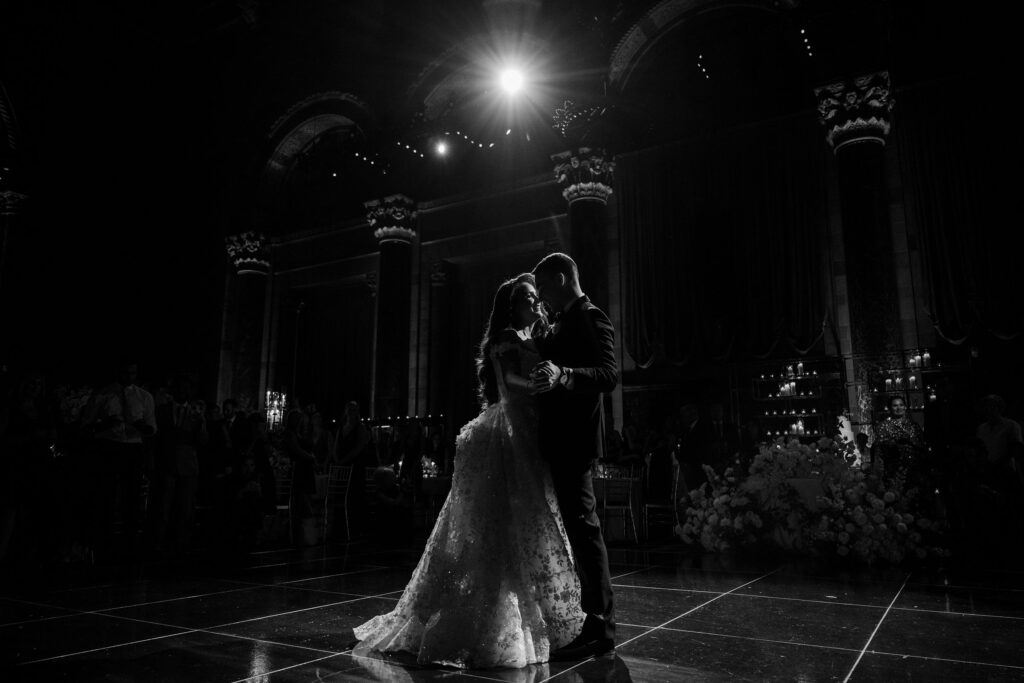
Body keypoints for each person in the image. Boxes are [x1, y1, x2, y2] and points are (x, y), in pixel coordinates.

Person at [353, 273, 584, 668]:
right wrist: (541, 384)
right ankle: (485, 621)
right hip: (510, 431)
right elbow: (510, 379)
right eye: (526, 298)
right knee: (498, 526)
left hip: (531, 432)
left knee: (529, 524)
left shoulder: (535, 337)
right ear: (512, 307)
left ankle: (535, 617)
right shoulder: (507, 338)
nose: (534, 303)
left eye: (534, 297)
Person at [530, 252, 618, 661]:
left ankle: (600, 624)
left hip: (576, 442)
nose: (543, 296)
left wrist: (564, 375)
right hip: (556, 441)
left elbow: (608, 374)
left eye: (545, 286)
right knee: (576, 529)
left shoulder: (592, 316)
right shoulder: (561, 320)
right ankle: (589, 620)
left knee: (584, 529)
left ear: (564, 278)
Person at [873, 395, 925, 475]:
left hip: (915, 468)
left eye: (901, 405)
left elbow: (921, 444)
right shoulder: (883, 426)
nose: (899, 408)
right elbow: (880, 448)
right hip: (894, 469)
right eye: (895, 405)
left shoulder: (913, 425)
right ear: (890, 408)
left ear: (905, 407)